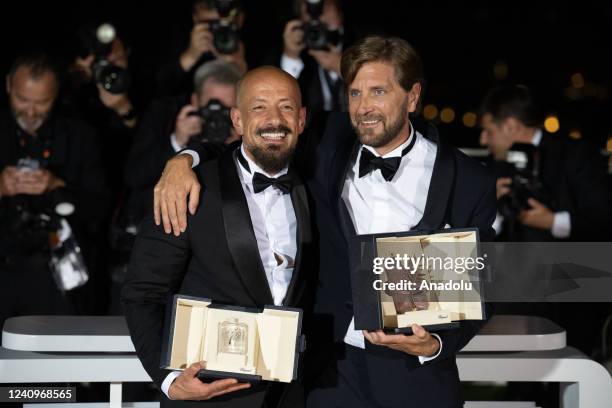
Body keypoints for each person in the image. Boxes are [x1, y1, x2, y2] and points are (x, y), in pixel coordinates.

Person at [151, 35, 496, 407]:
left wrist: (437, 344)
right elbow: (260, 136)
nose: (364, 107)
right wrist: (184, 159)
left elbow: (485, 281)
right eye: (355, 93)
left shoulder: (469, 180)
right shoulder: (326, 142)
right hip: (328, 376)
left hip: (418, 377)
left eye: (378, 92)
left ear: (412, 97)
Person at [121, 66, 313, 407]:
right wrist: (168, 381)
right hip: (205, 396)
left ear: (301, 120)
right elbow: (142, 293)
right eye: (259, 107)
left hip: (291, 395)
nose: (274, 120)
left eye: (285, 107)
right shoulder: (188, 189)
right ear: (237, 121)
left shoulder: (315, 187)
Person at [0, 54, 107, 325]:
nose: (31, 111)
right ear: (8, 86)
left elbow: (101, 207)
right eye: (23, 100)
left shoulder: (81, 135)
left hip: (58, 277)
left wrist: (57, 185)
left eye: (42, 102)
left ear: (56, 95)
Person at [479, 84, 611, 242]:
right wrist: (493, 208)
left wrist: (552, 222)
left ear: (511, 126)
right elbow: (485, 234)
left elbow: (603, 219)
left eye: (488, 131)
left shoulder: (576, 154)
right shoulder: (493, 164)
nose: (482, 140)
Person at [125, 60, 242, 205]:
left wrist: (236, 150)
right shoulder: (164, 118)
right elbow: (135, 177)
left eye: (225, 109)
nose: (216, 117)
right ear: (194, 100)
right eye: (211, 107)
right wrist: (177, 141)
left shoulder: (246, 134)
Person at [155, 0, 248, 98]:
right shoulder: (174, 42)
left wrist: (241, 69)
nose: (218, 33)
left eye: (226, 25)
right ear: (195, 18)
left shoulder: (255, 46)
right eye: (211, 25)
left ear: (240, 19)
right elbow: (155, 93)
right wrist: (189, 57)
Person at [279, 0, 348, 114]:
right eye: (309, 9)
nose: (319, 17)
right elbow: (282, 98)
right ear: (300, 19)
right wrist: (290, 57)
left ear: (339, 10)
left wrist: (343, 67)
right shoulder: (295, 50)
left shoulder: (367, 39)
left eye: (324, 7)